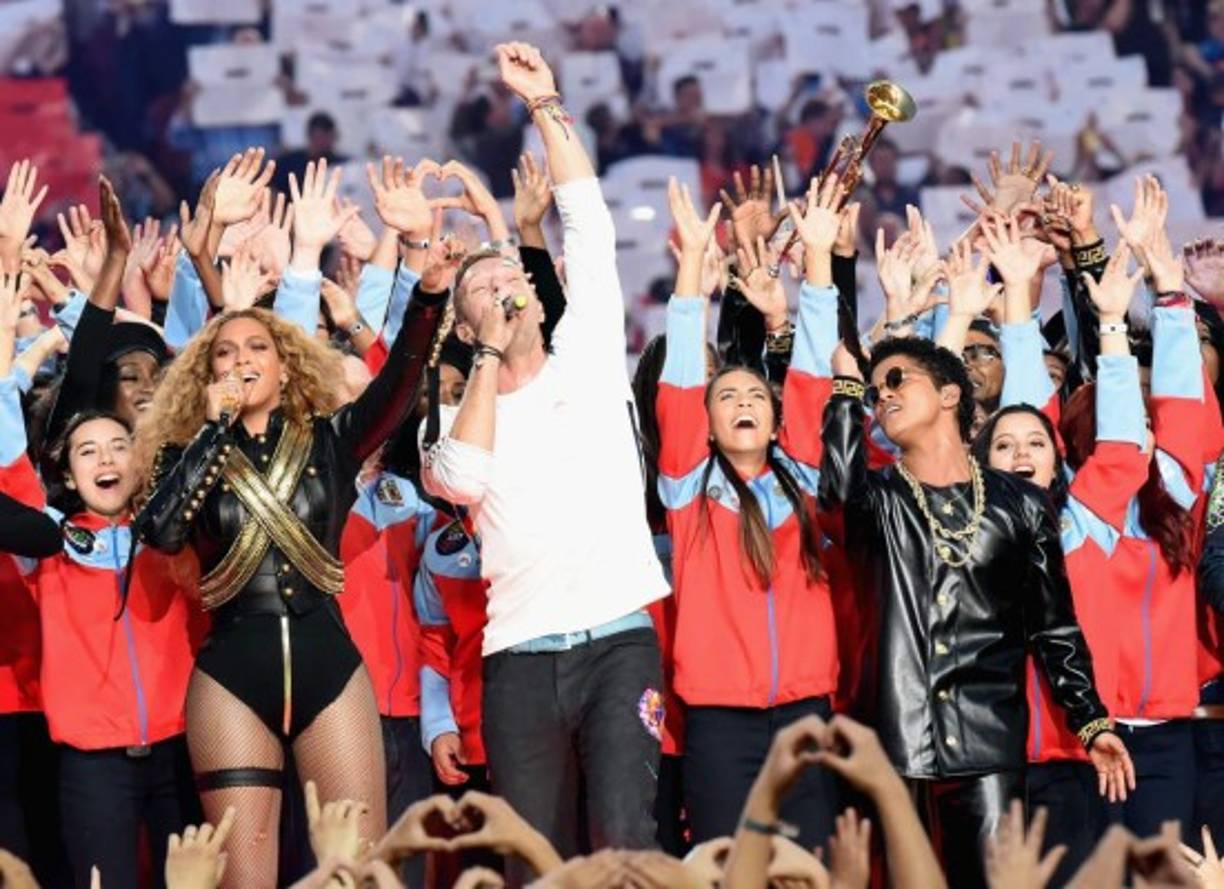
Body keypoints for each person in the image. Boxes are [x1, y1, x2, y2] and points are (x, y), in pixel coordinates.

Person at [135, 158, 450, 884]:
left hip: (329, 665)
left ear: (287, 364)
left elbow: (401, 383)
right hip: (229, 673)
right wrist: (213, 431)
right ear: (204, 372)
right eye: (224, 352)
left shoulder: (334, 441)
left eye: (257, 348)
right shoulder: (191, 450)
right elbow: (162, 533)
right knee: (244, 877)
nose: (241, 360)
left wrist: (428, 280)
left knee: (357, 869)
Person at [420, 42, 669, 864]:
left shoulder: (589, 354)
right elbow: (458, 481)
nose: (501, 288)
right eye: (480, 288)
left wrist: (546, 103)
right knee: (535, 860)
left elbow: (587, 223)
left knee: (626, 844)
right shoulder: (459, 413)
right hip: (518, 656)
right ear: (463, 325)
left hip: (618, 640)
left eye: (509, 276)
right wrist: (486, 357)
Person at [818, 293, 1134, 886]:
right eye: (875, 389)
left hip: (989, 741)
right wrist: (842, 388)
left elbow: (1053, 625)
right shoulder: (878, 499)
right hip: (893, 743)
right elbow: (835, 498)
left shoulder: (1022, 504)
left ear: (950, 394)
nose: (882, 394)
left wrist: (1092, 722)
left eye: (896, 380)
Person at [655, 173, 844, 847]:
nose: (742, 402)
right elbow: (679, 385)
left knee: (811, 869)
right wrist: (689, 282)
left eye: (756, 397)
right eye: (727, 395)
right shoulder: (688, 489)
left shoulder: (800, 477)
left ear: (775, 419)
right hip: (718, 722)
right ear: (706, 425)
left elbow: (815, 373)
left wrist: (817, 261)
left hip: (805, 713)